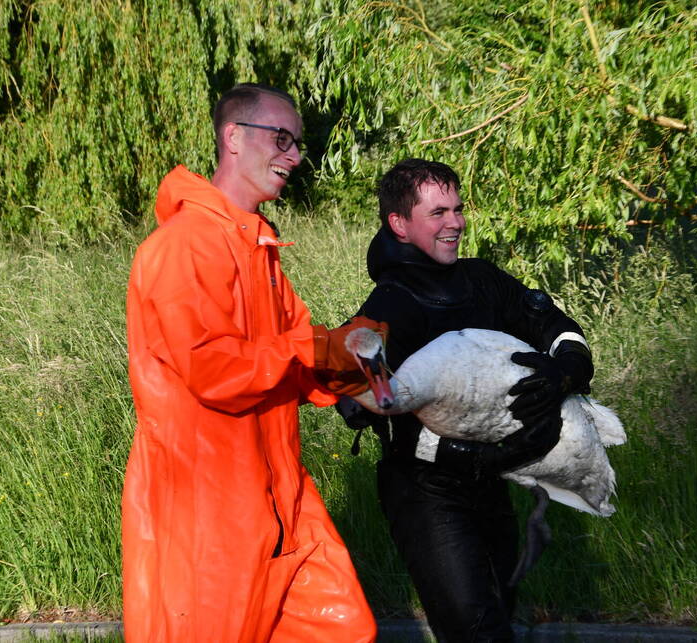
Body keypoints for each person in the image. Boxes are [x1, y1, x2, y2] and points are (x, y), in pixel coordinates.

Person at [123, 83, 385, 642]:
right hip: (207, 509)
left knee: (345, 630)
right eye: (282, 138)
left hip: (279, 493)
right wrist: (311, 349)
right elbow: (212, 370)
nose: (294, 155)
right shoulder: (185, 246)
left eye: (298, 143)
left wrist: (382, 382)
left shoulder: (259, 250)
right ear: (234, 138)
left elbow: (302, 355)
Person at [339, 158, 595, 642]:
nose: (455, 223)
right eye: (437, 213)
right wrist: (366, 389)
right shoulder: (388, 306)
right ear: (399, 223)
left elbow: (557, 328)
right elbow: (356, 396)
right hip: (425, 493)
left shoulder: (484, 282)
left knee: (499, 615)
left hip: (491, 483)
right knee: (477, 633)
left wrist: (566, 371)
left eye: (457, 209)